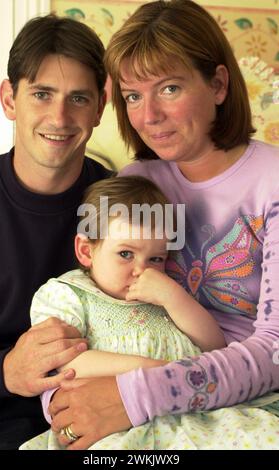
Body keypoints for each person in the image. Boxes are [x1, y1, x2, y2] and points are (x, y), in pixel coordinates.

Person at [47, 0, 279, 450]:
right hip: (141, 380)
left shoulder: (272, 182)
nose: (148, 116)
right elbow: (89, 299)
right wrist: (68, 405)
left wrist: (137, 395)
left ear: (217, 84)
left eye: (169, 88)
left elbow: (275, 350)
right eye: (133, 96)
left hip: (246, 394)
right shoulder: (134, 183)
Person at [20, 174, 231, 450]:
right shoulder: (68, 294)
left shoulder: (165, 296)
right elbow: (67, 364)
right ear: (86, 251)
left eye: (156, 258)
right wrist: (151, 371)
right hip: (114, 423)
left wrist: (174, 297)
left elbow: (216, 345)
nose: (141, 270)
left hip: (195, 414)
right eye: (126, 254)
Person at [0, 14, 112, 450]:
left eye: (78, 98)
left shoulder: (129, 205)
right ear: (9, 99)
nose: (59, 117)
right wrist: (3, 370)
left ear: (100, 106)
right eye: (41, 94)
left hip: (104, 419)